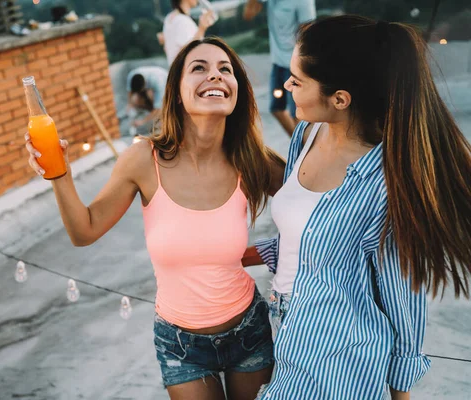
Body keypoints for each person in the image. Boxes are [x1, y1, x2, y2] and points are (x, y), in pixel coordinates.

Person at [25, 37, 286, 400]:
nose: (216, 76)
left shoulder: (252, 159)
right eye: (200, 68)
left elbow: (316, 215)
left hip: (248, 330)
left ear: (236, 90)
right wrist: (60, 176)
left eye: (225, 69)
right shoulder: (144, 160)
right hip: (181, 346)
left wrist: (264, 252)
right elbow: (84, 231)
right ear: (177, 93)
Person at [242, 15, 471, 400]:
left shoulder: (383, 184)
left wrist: (401, 391)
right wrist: (240, 255)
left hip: (342, 357)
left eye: (297, 81)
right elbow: (309, 240)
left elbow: (402, 296)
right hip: (287, 329)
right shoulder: (307, 132)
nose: (286, 86)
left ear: (340, 99)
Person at [243, 0, 316, 136]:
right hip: (278, 63)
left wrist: (303, 66)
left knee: (299, 115)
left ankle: (307, 150)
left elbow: (309, 34)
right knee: (276, 108)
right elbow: (248, 15)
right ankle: (300, 147)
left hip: (295, 65)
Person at [163, 0, 216, 65]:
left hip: (176, 70)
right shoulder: (182, 21)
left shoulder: (169, 17)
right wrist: (202, 28)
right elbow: (187, 51)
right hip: (184, 70)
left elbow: (166, 47)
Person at [126, 66, 168, 131]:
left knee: (159, 109)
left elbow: (158, 108)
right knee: (135, 99)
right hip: (149, 84)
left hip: (166, 82)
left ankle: (161, 121)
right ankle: (149, 112)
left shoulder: (159, 82)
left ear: (144, 85)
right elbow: (130, 92)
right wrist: (130, 105)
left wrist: (142, 121)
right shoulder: (131, 76)